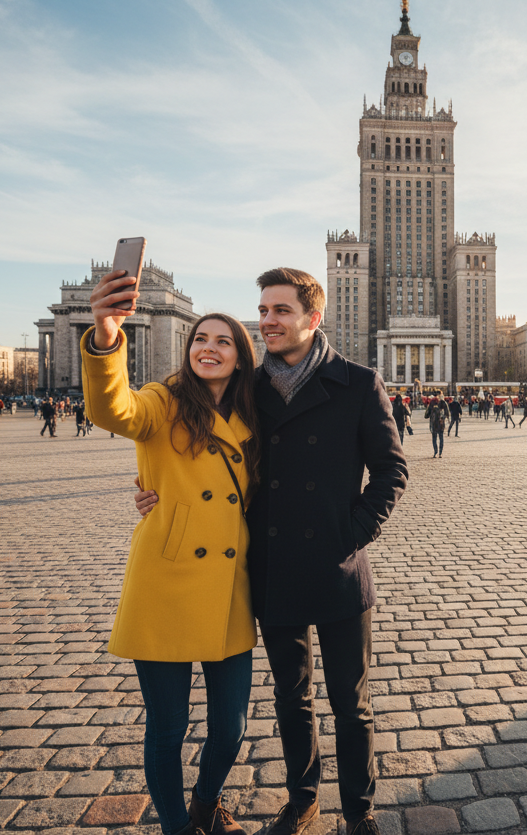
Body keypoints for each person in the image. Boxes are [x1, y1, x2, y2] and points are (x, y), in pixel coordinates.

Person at [138, 268, 406, 835]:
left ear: (314, 317)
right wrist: (156, 488)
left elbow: (390, 470)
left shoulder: (359, 382)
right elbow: (192, 447)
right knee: (292, 698)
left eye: (280, 310)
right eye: (262, 310)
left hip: (338, 569)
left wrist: (351, 530)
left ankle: (360, 811)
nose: (267, 321)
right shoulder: (247, 388)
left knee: (350, 704)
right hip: (272, 566)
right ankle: (303, 799)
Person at [84, 270, 259, 835]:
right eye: (200, 339)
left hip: (230, 588)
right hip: (165, 580)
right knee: (167, 727)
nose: (209, 348)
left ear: (239, 356)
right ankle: (177, 826)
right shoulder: (162, 400)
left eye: (222, 340)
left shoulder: (254, 418)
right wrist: (108, 336)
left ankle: (207, 803)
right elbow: (115, 411)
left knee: (230, 726)